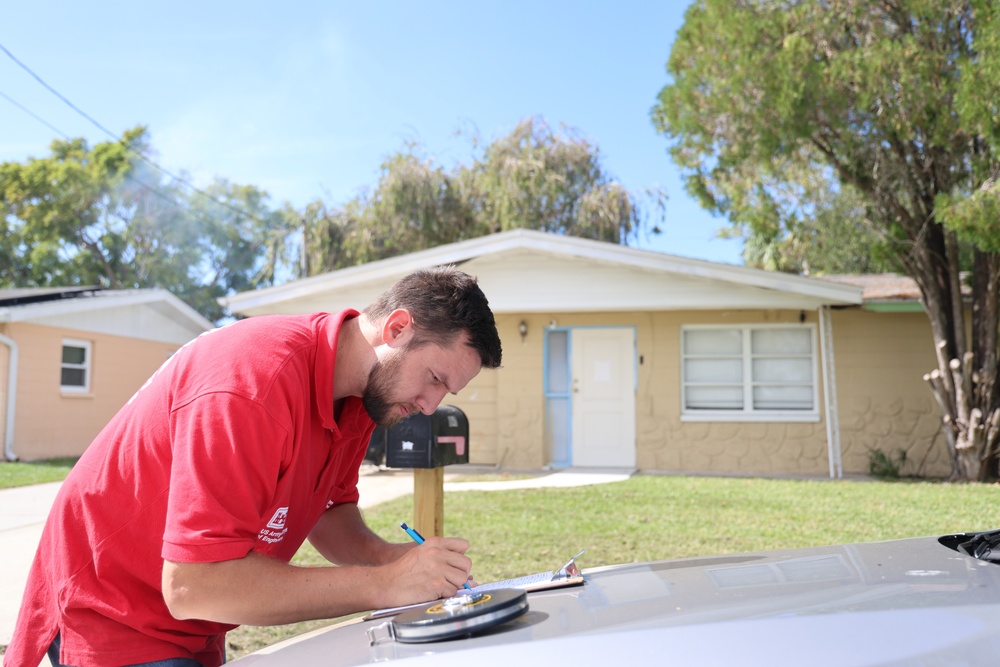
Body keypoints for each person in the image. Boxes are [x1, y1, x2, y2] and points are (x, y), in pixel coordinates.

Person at [5, 266, 503, 667]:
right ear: (397, 327)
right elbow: (194, 585)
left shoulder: (361, 398)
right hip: (111, 610)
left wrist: (395, 563)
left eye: (446, 391)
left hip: (193, 624)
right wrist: (382, 585)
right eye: (434, 378)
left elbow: (330, 513)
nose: (431, 405)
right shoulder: (253, 384)